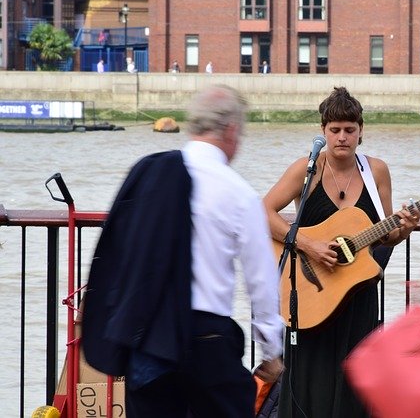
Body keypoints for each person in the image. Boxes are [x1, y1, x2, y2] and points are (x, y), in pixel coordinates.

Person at [82, 85, 284, 418]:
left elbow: (116, 252)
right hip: (206, 340)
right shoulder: (238, 192)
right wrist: (271, 352)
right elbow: (260, 282)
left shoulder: (148, 173)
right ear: (231, 130)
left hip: (148, 337)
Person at [263, 86, 419, 417]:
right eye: (334, 130)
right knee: (308, 383)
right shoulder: (308, 170)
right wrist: (308, 244)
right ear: (323, 131)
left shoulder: (376, 171)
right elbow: (262, 212)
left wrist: (403, 230)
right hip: (311, 295)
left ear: (361, 131)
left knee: (355, 383)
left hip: (357, 295)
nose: (342, 137)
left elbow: (384, 235)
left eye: (350, 130)